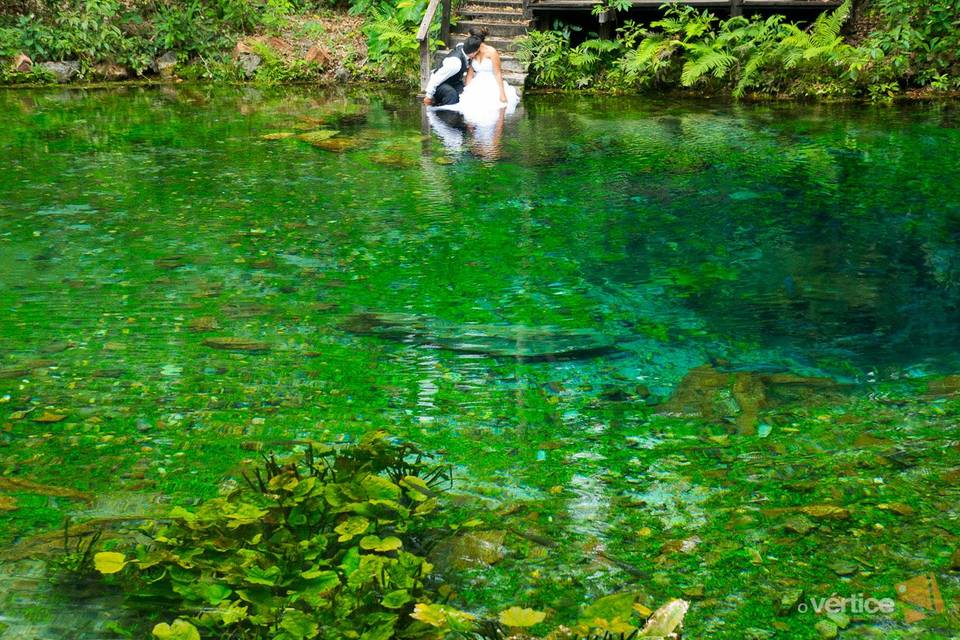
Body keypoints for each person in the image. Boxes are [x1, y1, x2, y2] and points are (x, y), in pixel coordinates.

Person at [423, 35, 483, 107]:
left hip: (453, 82)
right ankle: (448, 115)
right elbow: (436, 78)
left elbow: (459, 44)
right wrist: (428, 97)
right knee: (452, 95)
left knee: (467, 96)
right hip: (439, 84)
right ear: (473, 53)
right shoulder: (455, 64)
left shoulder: (463, 47)